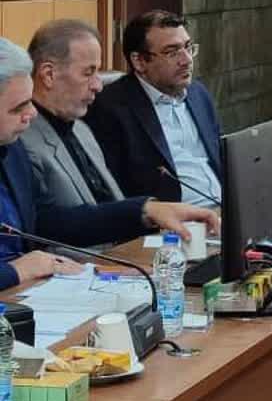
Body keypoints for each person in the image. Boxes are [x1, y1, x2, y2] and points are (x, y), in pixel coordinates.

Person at [0, 37, 217, 290]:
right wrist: (16, 270)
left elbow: (46, 223)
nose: (32, 113)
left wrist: (146, 210)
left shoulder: (11, 150)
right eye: (18, 107)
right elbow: (26, 259)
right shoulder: (24, 142)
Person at [85, 10, 222, 206]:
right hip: (174, 219)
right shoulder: (110, 109)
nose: (187, 60)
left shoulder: (198, 93)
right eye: (172, 52)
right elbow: (113, 193)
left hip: (224, 210)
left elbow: (219, 159)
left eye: (188, 47)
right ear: (139, 61)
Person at [22, 19, 124, 216]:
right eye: (88, 73)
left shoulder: (82, 129)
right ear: (49, 74)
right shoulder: (22, 143)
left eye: (98, 72)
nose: (98, 86)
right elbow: (47, 226)